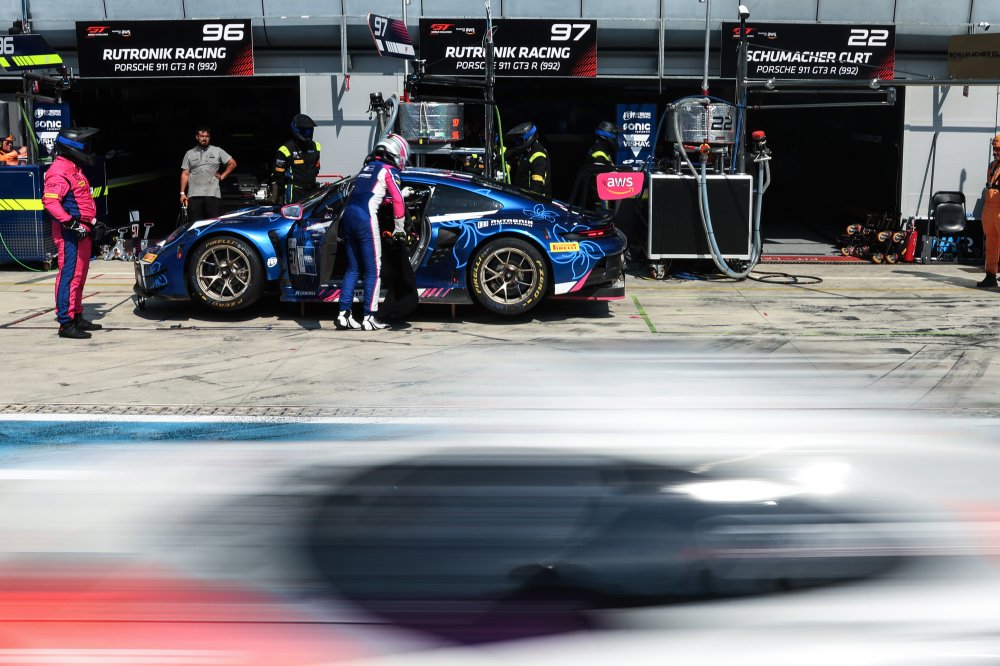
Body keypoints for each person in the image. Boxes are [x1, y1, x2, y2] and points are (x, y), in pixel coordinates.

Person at [337, 133, 410, 332]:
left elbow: (369, 195)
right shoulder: (388, 170)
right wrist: (399, 229)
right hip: (365, 220)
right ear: (396, 153)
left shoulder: (366, 168)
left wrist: (392, 198)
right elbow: (397, 201)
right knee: (374, 270)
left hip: (348, 218)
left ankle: (343, 315)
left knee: (352, 269)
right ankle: (369, 317)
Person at [43, 127, 102, 339]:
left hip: (82, 230)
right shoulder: (59, 170)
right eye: (86, 145)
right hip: (70, 232)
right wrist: (72, 224)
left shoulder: (73, 168)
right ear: (73, 146)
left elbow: (80, 201)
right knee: (69, 276)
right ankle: (66, 323)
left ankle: (76, 315)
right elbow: (50, 203)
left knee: (79, 275)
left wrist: (93, 223)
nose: (89, 149)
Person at [179, 126, 236, 222]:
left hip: (212, 194)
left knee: (213, 223)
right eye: (202, 136)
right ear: (197, 137)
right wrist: (182, 193)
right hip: (194, 195)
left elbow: (233, 163)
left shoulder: (217, 150)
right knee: (195, 224)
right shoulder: (189, 153)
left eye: (207, 136)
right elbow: (185, 174)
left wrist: (223, 176)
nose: (204, 138)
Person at [271, 113, 321, 204]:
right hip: (294, 193)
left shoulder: (316, 147)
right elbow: (278, 176)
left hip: (312, 190)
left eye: (310, 130)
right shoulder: (285, 149)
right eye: (305, 131)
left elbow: (316, 167)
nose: (308, 133)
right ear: (296, 130)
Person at [576, 121, 621, 209]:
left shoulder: (601, 150)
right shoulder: (599, 153)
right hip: (599, 202)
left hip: (598, 199)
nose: (616, 138)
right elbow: (601, 180)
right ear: (608, 136)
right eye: (615, 135)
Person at [504, 121, 550, 196]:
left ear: (529, 138)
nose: (517, 143)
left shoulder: (539, 156)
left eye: (519, 140)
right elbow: (513, 152)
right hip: (522, 196)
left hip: (531, 200)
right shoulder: (526, 150)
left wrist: (530, 199)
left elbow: (537, 186)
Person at [981, 134, 1000, 288]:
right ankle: (990, 275)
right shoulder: (992, 165)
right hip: (989, 209)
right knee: (991, 243)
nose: (995, 152)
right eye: (994, 148)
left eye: (998, 149)